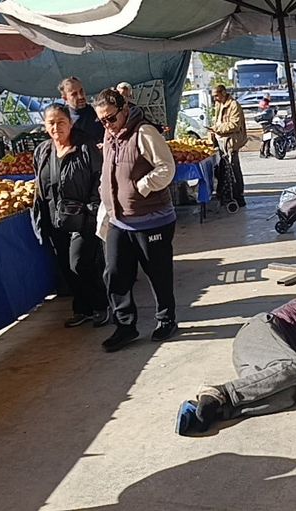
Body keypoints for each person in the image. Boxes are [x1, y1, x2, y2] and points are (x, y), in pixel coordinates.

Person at [175, 289, 296, 436]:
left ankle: (205, 411)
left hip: (264, 358)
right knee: (295, 368)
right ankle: (221, 392)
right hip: (262, 332)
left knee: (286, 396)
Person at [95, 88, 179, 352]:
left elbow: (167, 167)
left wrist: (142, 186)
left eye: (111, 118)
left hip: (152, 220)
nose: (107, 124)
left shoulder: (144, 132)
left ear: (125, 109)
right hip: (119, 220)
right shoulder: (109, 136)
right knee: (115, 273)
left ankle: (166, 319)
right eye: (102, 121)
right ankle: (125, 325)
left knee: (158, 273)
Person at [31, 104, 109, 329]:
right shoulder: (43, 151)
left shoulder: (85, 147)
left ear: (71, 123)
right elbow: (40, 183)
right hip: (54, 218)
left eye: (61, 122)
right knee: (66, 266)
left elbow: (99, 178)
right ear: (45, 125)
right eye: (51, 123)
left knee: (80, 263)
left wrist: (92, 209)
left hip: (82, 217)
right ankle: (82, 309)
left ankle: (101, 305)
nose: (56, 127)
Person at [210, 85, 247, 207]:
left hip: (230, 142)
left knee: (233, 169)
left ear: (224, 92)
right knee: (223, 169)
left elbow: (234, 125)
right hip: (221, 141)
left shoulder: (234, 105)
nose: (215, 98)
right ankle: (226, 195)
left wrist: (217, 128)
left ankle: (238, 196)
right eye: (214, 96)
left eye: (217, 95)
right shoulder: (218, 104)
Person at [58, 77, 105, 143]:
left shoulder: (97, 111)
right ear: (65, 98)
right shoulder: (64, 119)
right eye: (74, 94)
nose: (80, 96)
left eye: (81, 91)